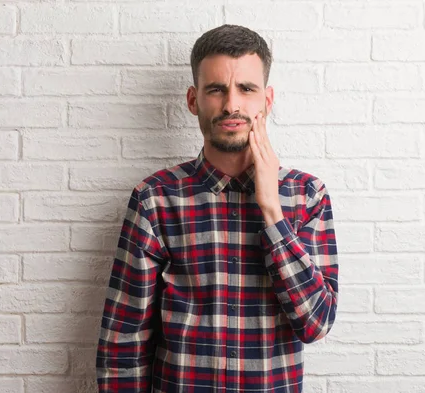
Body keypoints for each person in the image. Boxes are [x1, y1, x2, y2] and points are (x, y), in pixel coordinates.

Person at [96, 24, 339, 393]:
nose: (231, 105)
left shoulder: (306, 196)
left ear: (267, 100)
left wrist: (272, 212)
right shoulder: (155, 199)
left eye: (246, 88)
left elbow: (315, 323)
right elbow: (123, 345)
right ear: (193, 100)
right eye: (216, 89)